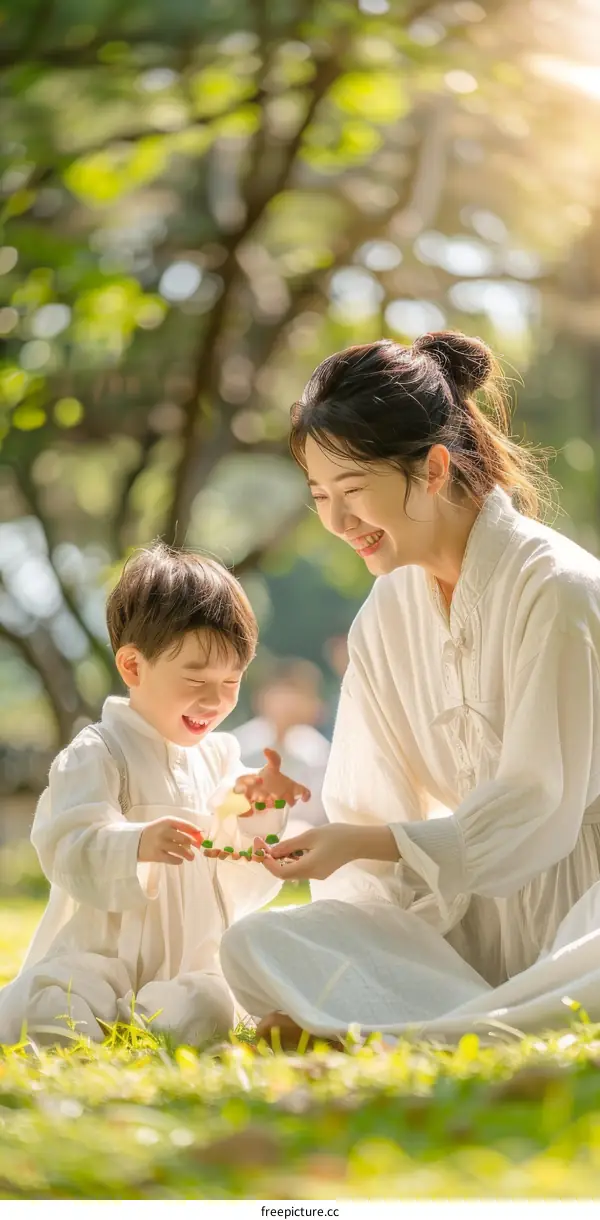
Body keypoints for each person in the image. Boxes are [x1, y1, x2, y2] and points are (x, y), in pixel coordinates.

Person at [220, 330, 600, 1046]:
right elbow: (369, 810)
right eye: (321, 496)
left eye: (354, 491)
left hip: (580, 910)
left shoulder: (557, 590)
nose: (336, 522)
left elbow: (537, 809)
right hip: (461, 929)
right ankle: (440, 1012)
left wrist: (373, 840)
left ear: (431, 469)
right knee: (254, 946)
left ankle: (419, 1020)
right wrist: (332, 851)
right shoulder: (386, 616)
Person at [0, 544, 309, 1047]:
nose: (215, 700)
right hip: (101, 956)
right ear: (133, 667)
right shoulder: (98, 752)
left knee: (212, 1003)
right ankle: (92, 1016)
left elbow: (237, 862)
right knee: (53, 1002)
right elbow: (66, 843)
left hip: (188, 964)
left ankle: (146, 1022)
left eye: (231, 681)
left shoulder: (222, 758)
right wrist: (134, 844)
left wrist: (260, 811)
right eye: (195, 678)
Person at [233, 658, 330, 831]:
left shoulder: (319, 753)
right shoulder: (239, 745)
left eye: (298, 693)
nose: (289, 703)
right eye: (282, 693)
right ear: (262, 697)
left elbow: (321, 813)